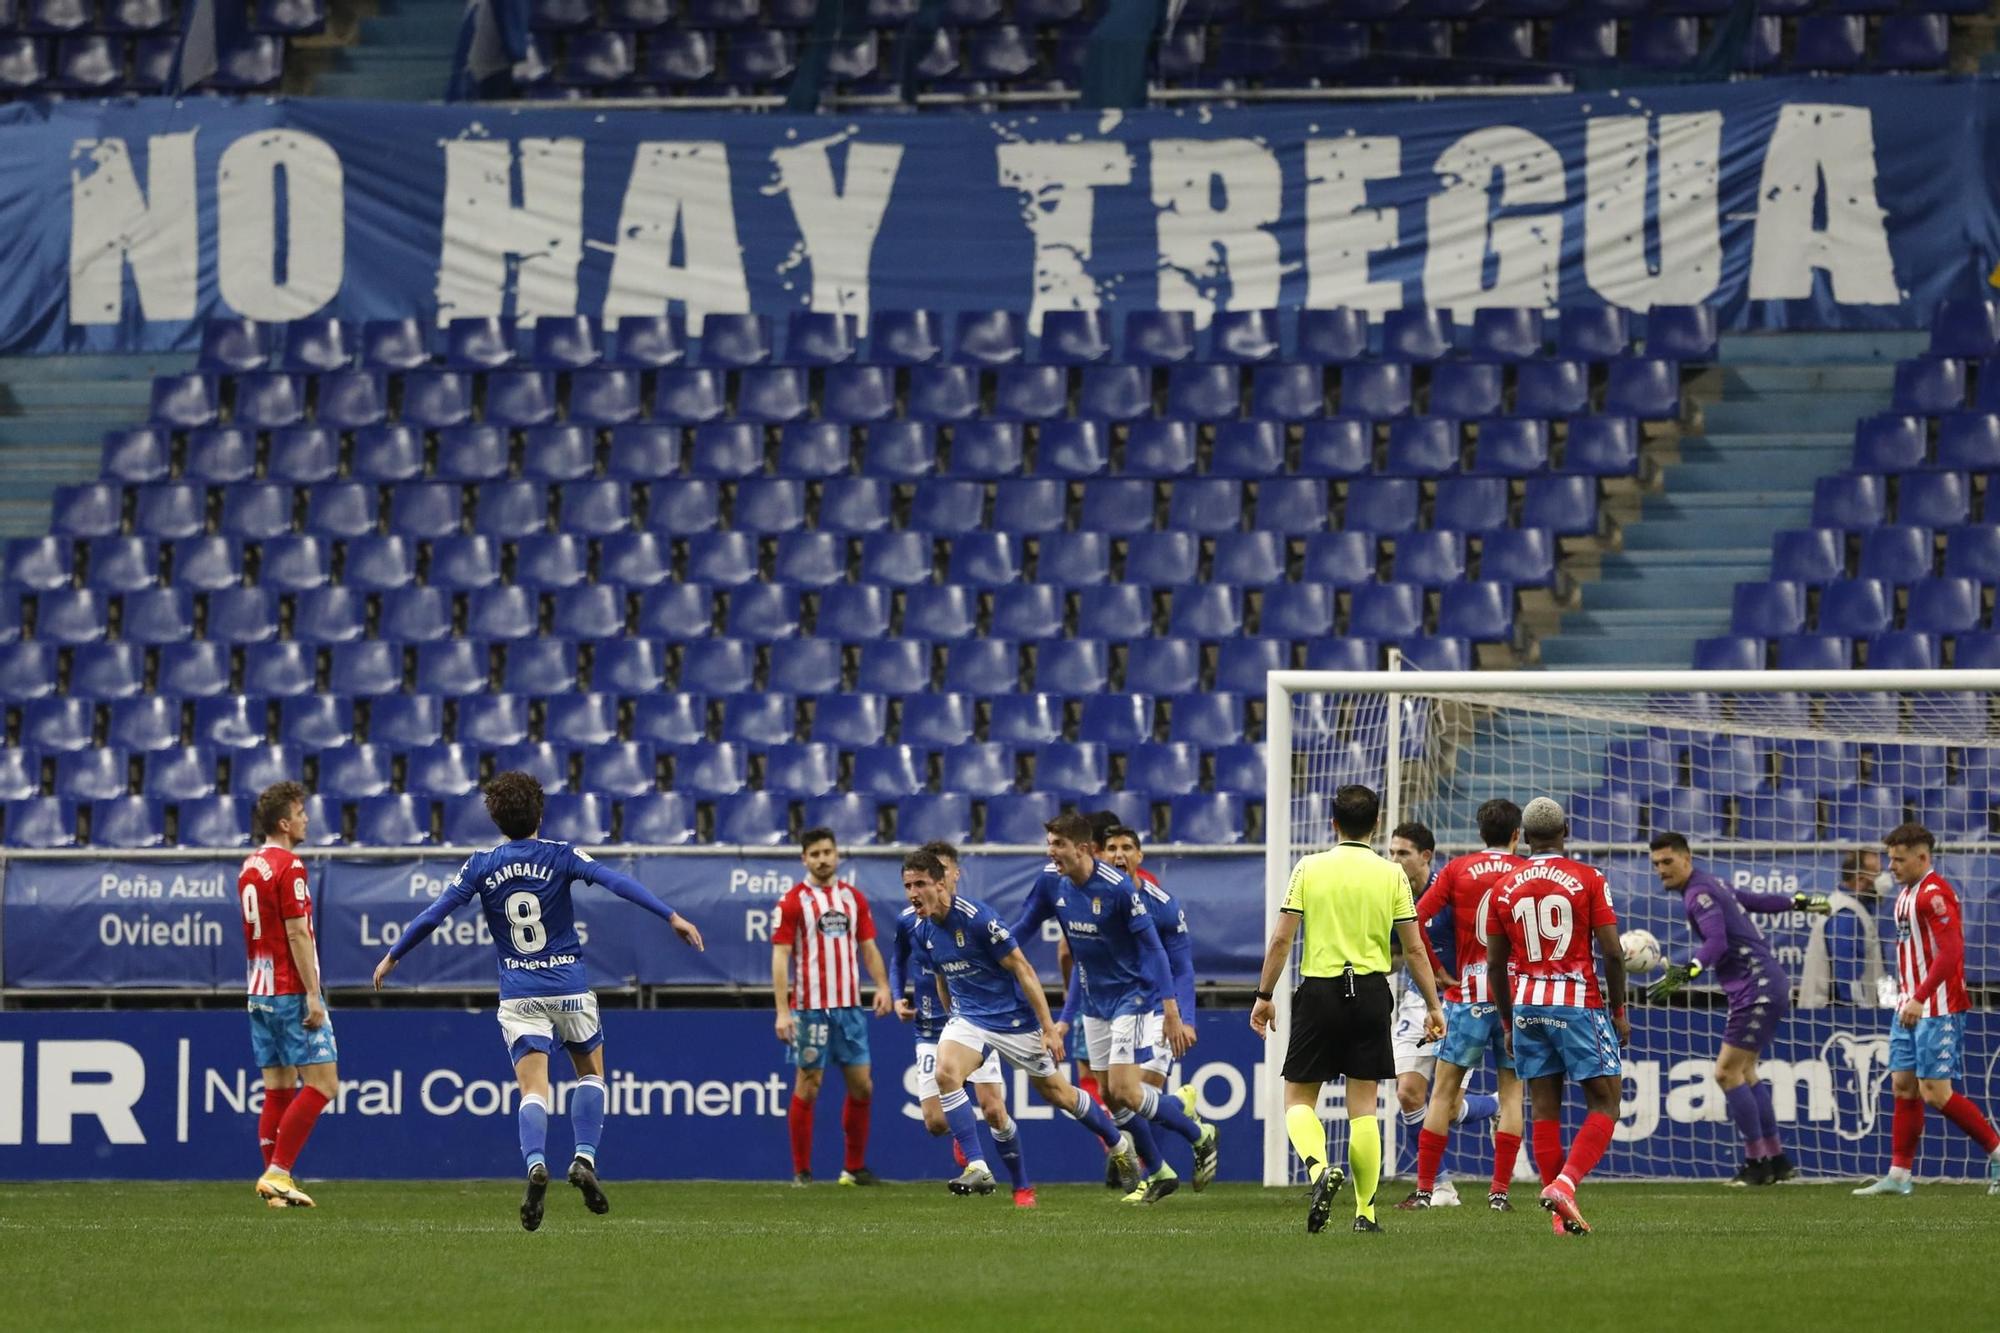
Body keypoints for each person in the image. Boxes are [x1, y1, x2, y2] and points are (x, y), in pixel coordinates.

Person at [371, 771, 706, 1231]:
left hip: (520, 994)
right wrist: (671, 915)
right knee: (591, 1075)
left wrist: (393, 956)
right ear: (540, 813)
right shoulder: (560, 856)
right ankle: (584, 1158)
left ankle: (534, 1164)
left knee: (533, 1090)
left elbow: (435, 915)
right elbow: (615, 881)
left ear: (495, 819)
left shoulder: (480, 865)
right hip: (569, 988)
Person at [1252, 784, 1443, 1235]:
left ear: (1333, 823)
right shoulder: (1392, 875)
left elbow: (1282, 938)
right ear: (1376, 825)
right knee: (1364, 1106)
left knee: (1299, 1099)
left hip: (1319, 990)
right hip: (1372, 992)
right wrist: (1434, 1005)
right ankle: (1366, 1214)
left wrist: (1264, 996)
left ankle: (1319, 1172)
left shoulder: (1309, 867)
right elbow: (1415, 949)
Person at [905, 849, 1132, 1206]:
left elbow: (1023, 969)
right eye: (907, 886)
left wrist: (1048, 1026)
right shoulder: (921, 931)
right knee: (947, 1074)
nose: (913, 893)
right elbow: (941, 978)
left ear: (941, 882)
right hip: (969, 1018)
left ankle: (1119, 1145)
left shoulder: (979, 918)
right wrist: (954, 1020)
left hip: (1012, 1020)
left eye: (920, 884)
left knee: (1060, 1094)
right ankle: (978, 1166)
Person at [1012, 813, 1211, 1205]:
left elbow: (1157, 950)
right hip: (1094, 1000)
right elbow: (1023, 928)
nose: (1051, 852)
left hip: (1133, 997)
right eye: (1049, 844)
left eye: (1058, 845)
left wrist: (1173, 1011)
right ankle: (1160, 1171)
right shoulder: (1050, 882)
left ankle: (1197, 1135)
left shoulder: (1120, 890)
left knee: (1127, 1090)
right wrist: (991, 952)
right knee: (1111, 1095)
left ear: (1083, 849)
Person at [1646, 831, 1830, 1185]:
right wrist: (1800, 902)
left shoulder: (1699, 894)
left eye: (1667, 862)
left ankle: (1756, 1164)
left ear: (1687, 859)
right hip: (1766, 983)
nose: (1661, 870)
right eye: (1656, 864)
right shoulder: (1712, 882)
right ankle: (1776, 1160)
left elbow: (1717, 941)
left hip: (1755, 986)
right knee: (1745, 1072)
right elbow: (1757, 901)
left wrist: (1686, 973)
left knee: (1725, 1074)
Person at [1487, 797, 1626, 1237]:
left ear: (1525, 838)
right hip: (1575, 1001)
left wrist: (1508, 1024)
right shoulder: (1588, 878)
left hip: (1526, 1003)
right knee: (1605, 1101)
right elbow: (1613, 952)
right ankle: (1565, 1184)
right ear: (1566, 833)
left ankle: (1558, 1218)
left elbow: (1494, 966)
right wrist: (1619, 1010)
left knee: (1545, 1108)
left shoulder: (1504, 887)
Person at [1853, 822, 2000, 1196]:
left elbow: (1952, 953)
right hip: (1909, 1003)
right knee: (1903, 1087)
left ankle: (1997, 1152)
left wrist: (1920, 996)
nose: (1892, 867)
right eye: (1890, 859)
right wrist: (1909, 997)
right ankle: (1900, 1175)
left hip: (1937, 1005)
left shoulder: (1934, 893)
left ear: (1922, 857)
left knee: (1935, 1091)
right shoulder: (1905, 894)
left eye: (1900, 860)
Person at [1072, 822, 1216, 1200]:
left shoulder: (1162, 904)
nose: (1119, 855)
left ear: (1139, 856)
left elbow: (1182, 967)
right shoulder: (1090, 901)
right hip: (1111, 1007)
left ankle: (1158, 1170)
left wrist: (1184, 1018)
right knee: (1119, 1096)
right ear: (1100, 855)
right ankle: (1181, 1123)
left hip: (1155, 1008)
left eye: (1127, 848)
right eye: (1112, 847)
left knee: (1135, 1092)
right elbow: (1085, 962)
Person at [1408, 802, 1526, 1212]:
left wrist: (1438, 969)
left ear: (1481, 833)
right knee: (1512, 1095)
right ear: (1517, 834)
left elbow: (1414, 920)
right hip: (1516, 997)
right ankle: (1499, 1194)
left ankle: (1425, 1191)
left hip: (1468, 995)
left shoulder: (1457, 870)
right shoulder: (1527, 872)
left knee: (1441, 1094)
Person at [888, 840, 1019, 1187]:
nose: (922, 888)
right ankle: (967, 1141)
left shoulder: (974, 919)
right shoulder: (911, 923)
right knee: (934, 1122)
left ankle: (1009, 1176)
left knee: (993, 1110)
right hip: (931, 1025)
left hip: (976, 1022)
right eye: (911, 884)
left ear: (951, 875)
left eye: (941, 872)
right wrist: (897, 994)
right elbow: (897, 958)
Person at [771, 827, 894, 1188]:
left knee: (863, 1087)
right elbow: (780, 957)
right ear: (804, 859)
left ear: (837, 855)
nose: (823, 859)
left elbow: (868, 947)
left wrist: (883, 986)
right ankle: (802, 1172)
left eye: (828, 852)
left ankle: (853, 1169)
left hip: (851, 1010)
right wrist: (782, 1010)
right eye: (815, 853)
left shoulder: (853, 899)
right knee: (808, 1085)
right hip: (811, 1010)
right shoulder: (792, 901)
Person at [238, 781, 336, 1209]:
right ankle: (279, 1173)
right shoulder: (290, 867)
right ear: (284, 822)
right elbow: (297, 932)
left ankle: (272, 1189)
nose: (306, 819)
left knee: (277, 1088)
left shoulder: (249, 865)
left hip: (258, 991)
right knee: (323, 1084)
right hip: (289, 990)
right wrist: (314, 994)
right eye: (300, 812)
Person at [1826, 849, 1887, 1005]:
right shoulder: (1846, 913)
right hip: (1844, 1016)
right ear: (1860, 880)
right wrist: (1857, 1009)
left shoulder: (1857, 907)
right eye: (1877, 873)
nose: (1883, 879)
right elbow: (1846, 972)